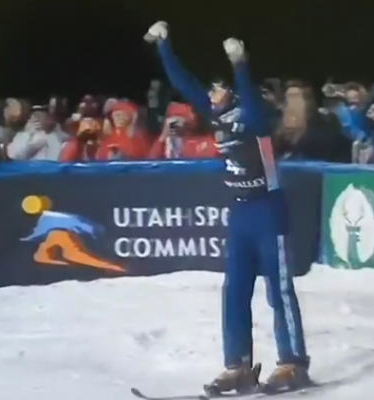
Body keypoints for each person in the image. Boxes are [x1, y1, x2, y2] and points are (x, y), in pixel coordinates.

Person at [144, 21, 311, 394]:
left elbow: (249, 100)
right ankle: (237, 364)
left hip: (268, 211)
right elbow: (185, 83)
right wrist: (164, 45)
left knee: (279, 289)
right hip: (240, 213)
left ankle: (293, 361)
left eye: (218, 88)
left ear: (231, 92)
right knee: (234, 290)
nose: (211, 93)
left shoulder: (255, 119)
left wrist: (240, 64)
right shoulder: (215, 114)